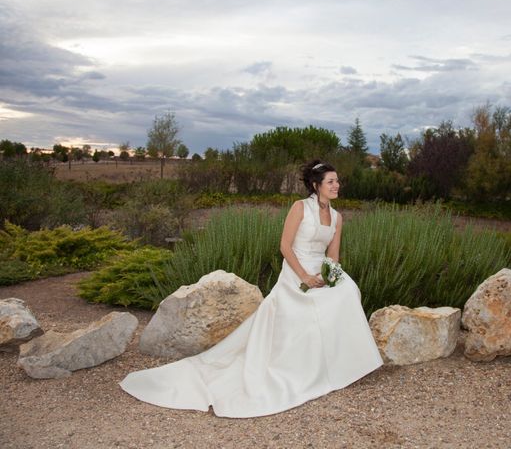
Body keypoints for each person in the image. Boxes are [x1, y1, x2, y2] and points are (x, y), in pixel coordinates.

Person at [119, 160, 383, 418]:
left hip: (320, 272)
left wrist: (330, 276)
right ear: (316, 185)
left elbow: (333, 254)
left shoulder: (337, 217)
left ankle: (341, 364)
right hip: (296, 271)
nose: (337, 185)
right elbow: (284, 246)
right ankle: (302, 369)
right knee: (308, 308)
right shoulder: (300, 208)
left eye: (337, 181)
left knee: (348, 291)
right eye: (331, 181)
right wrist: (304, 275)